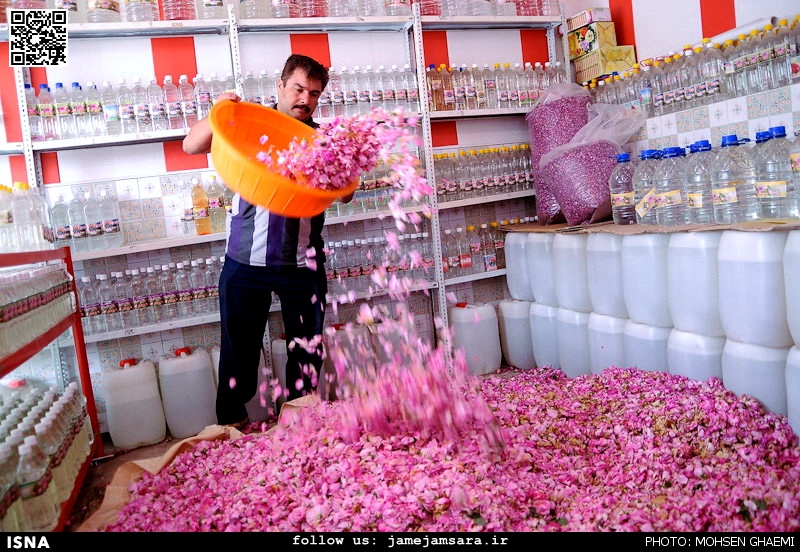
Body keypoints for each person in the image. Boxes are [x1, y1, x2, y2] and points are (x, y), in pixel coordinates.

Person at [183, 54, 352, 428]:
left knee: (306, 351)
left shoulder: (322, 141)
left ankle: (300, 424)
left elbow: (345, 195)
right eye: (298, 89)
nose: (305, 99)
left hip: (301, 265)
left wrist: (344, 159)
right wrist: (218, 111)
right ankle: (232, 423)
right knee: (238, 351)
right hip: (245, 261)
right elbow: (191, 145)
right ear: (280, 85)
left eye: (314, 93)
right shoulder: (248, 123)